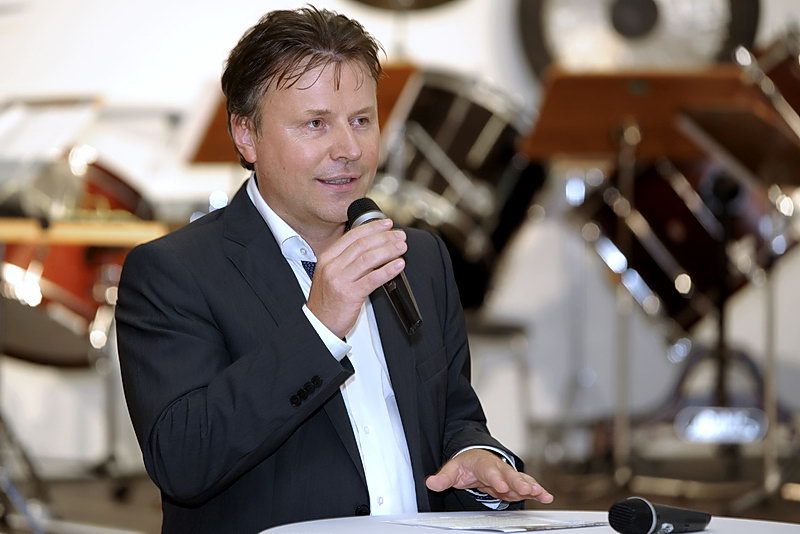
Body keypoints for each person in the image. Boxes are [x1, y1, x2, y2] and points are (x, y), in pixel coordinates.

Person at [115, 6, 553, 533]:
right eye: (316, 124)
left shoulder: (419, 257)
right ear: (246, 134)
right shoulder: (173, 272)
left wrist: (477, 460)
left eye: (361, 121)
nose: (348, 150)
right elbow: (183, 461)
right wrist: (320, 326)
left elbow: (453, 416)